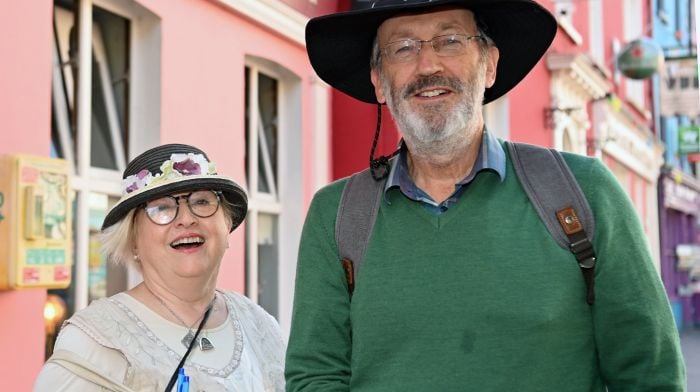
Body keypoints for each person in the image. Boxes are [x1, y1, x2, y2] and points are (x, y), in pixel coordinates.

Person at [285, 0, 686, 390]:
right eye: (403, 47)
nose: (428, 65)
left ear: (490, 64)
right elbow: (315, 376)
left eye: (451, 40)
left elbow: (650, 374)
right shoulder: (337, 214)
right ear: (379, 81)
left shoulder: (583, 192)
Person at [35, 144, 285, 391]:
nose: (187, 219)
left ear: (227, 225)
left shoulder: (260, 327)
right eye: (162, 208)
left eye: (201, 202)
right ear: (132, 238)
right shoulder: (99, 340)